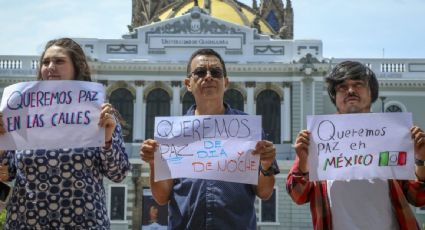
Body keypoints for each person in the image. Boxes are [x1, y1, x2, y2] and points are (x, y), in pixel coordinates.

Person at [140, 48, 280, 229]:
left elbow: (265, 192)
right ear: (188, 83)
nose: (208, 77)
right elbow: (161, 197)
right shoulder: (172, 133)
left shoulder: (249, 131)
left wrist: (267, 166)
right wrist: (153, 163)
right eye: (199, 72)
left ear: (225, 82)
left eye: (216, 72)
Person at [0, 38, 131, 229]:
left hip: (84, 223)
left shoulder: (98, 114)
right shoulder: (22, 112)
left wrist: (107, 139)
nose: (50, 67)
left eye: (59, 61)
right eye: (46, 62)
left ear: (78, 67)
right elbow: (8, 172)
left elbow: (119, 173)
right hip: (26, 222)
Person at [286, 60, 425, 229]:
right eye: (342, 87)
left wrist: (421, 160)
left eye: (358, 84)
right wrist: (303, 162)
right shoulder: (317, 139)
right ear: (334, 97)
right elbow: (297, 195)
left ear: (371, 92)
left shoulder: (394, 135)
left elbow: (419, 197)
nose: (350, 91)